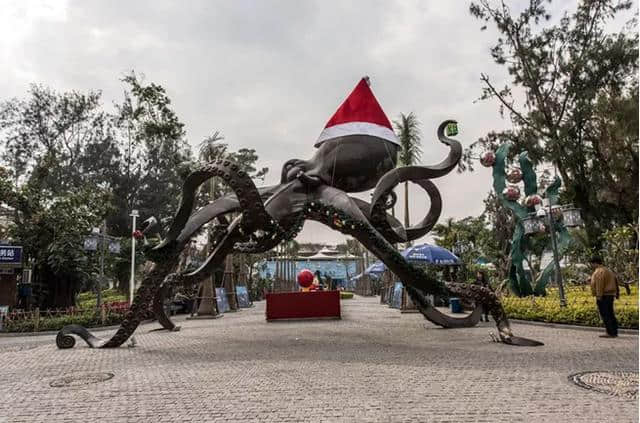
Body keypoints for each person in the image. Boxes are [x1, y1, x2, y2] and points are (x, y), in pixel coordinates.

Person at [589, 256, 619, 338]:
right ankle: (614, 331)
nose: (591, 266)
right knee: (610, 313)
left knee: (605, 314)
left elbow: (599, 284)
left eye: (591, 264)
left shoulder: (599, 271)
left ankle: (609, 332)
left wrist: (599, 296)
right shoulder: (607, 270)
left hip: (604, 295)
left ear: (595, 263)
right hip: (610, 295)